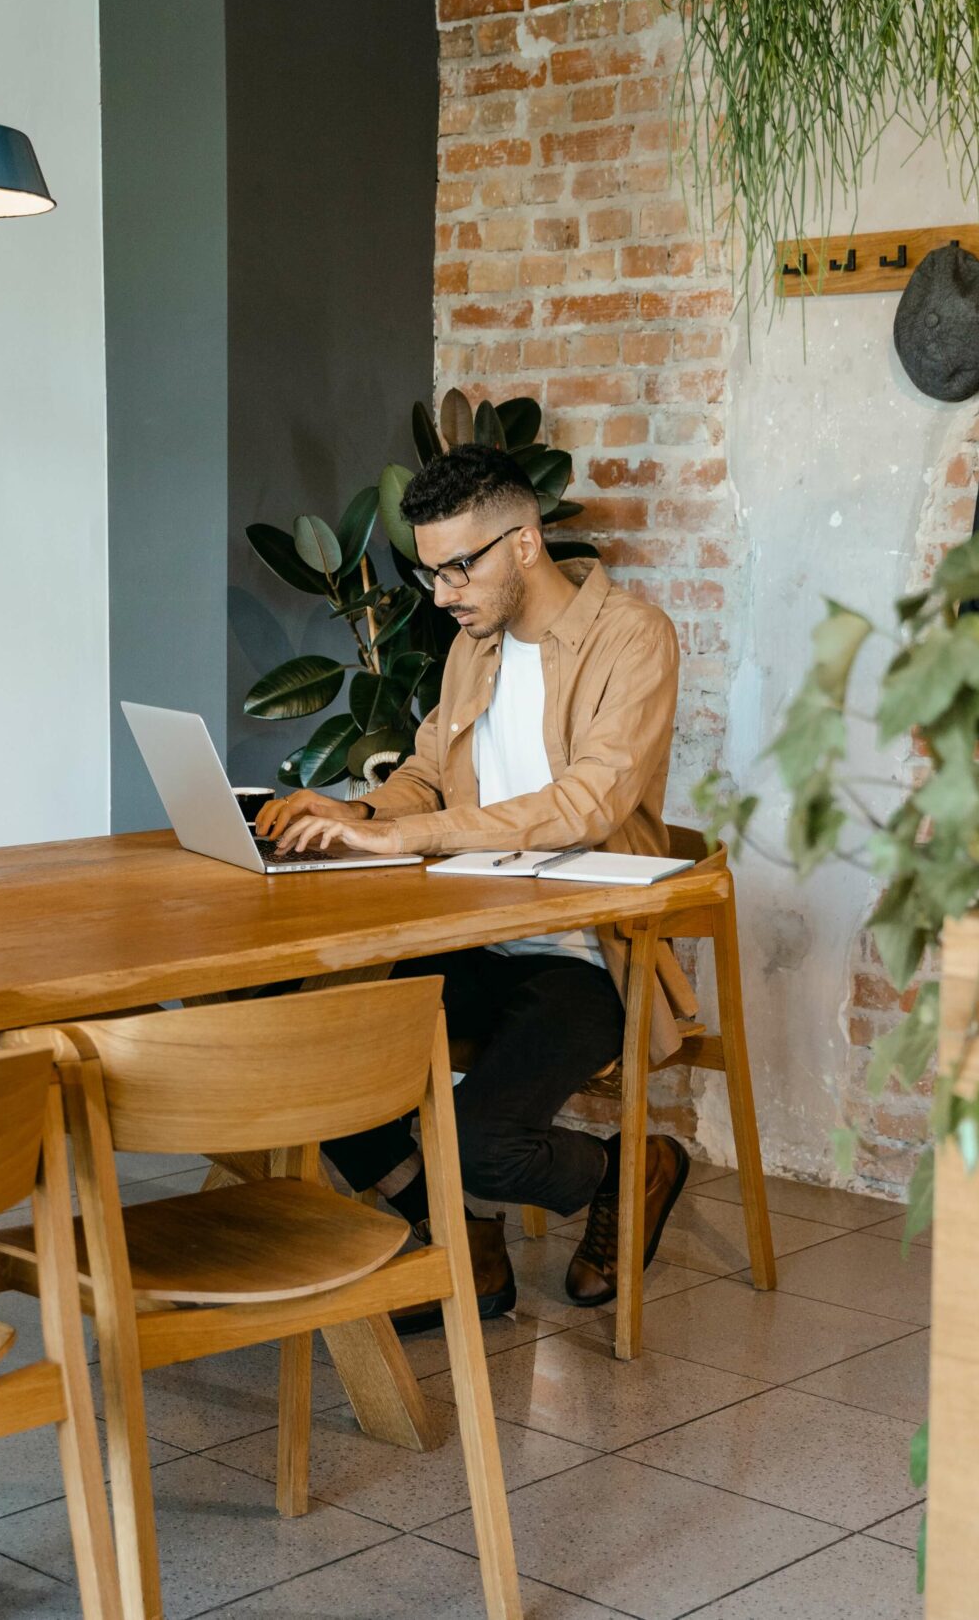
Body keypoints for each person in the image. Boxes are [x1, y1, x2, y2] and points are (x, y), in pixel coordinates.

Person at [254, 442, 690, 1325]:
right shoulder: (471, 650)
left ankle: (630, 1167)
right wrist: (353, 818)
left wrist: (415, 832)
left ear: (525, 543)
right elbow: (424, 776)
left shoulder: (633, 639)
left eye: (459, 567)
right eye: (431, 574)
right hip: (467, 935)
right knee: (302, 1051)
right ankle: (463, 1238)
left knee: (486, 1144)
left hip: (585, 954)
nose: (444, 593)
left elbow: (587, 802)